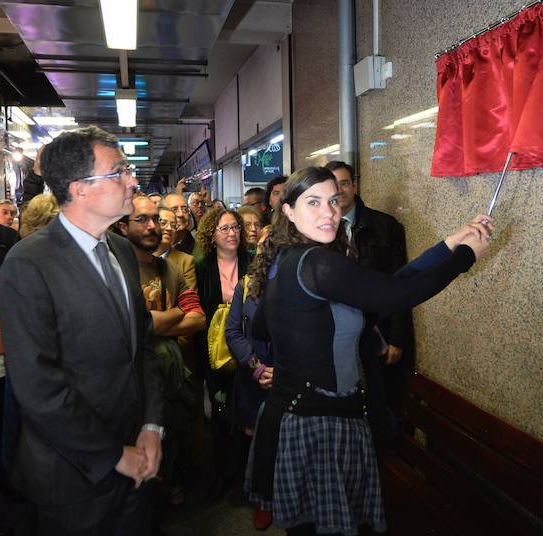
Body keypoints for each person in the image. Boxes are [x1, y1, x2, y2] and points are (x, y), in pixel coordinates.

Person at [244, 166, 493, 535]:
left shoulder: (285, 259)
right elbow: (402, 295)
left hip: (291, 418)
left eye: (332, 201)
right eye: (313, 203)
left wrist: (451, 242)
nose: (328, 213)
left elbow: (387, 288)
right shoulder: (318, 263)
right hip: (322, 428)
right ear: (288, 211)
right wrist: (464, 258)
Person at [0, 127, 164, 536]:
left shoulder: (122, 250)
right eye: (119, 171)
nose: (132, 181)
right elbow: (38, 385)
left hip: (138, 459)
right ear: (80, 188)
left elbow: (142, 346)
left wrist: (151, 426)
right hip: (73, 476)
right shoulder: (28, 262)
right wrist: (111, 455)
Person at [117, 196, 205, 507]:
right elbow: (123, 324)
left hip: (170, 377)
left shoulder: (170, 268)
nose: (152, 225)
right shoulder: (116, 270)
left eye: (155, 218)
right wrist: (172, 314)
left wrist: (154, 323)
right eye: (142, 219)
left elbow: (197, 317)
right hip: (130, 381)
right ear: (122, 225)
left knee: (172, 445)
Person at [325, 160, 416, 448]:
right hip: (338, 339)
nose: (340, 190)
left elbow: (401, 285)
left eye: (345, 183)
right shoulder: (321, 228)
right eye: (333, 185)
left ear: (355, 185)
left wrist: (397, 338)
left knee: (379, 407)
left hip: (379, 332)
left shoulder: (385, 226)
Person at [194, 207, 251, 499]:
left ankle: (245, 479)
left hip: (248, 352)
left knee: (246, 417)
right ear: (211, 235)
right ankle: (222, 475)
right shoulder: (201, 267)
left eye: (235, 227)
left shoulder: (252, 262)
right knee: (219, 414)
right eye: (224, 229)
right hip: (215, 354)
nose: (232, 233)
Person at [225, 228, 274, 530]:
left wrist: (282, 370)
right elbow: (233, 332)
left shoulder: (298, 284)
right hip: (255, 379)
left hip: (288, 377)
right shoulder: (246, 286)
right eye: (267, 242)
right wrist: (257, 368)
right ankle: (261, 498)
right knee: (259, 444)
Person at [155, 205, 196, 290]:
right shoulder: (140, 256)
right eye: (163, 223)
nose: (169, 228)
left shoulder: (186, 261)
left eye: (173, 225)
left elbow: (189, 299)